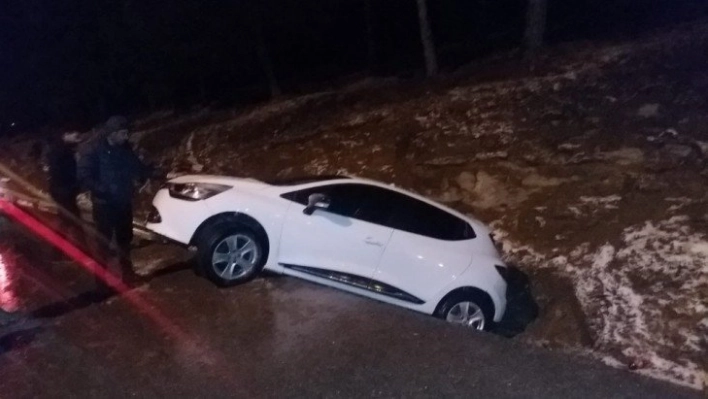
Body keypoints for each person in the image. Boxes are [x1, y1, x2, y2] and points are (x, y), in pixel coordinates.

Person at [78, 116, 153, 285]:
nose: (126, 136)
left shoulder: (125, 148)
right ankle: (101, 282)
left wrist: (150, 172)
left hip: (123, 203)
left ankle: (128, 275)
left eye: (127, 133)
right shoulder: (93, 150)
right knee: (103, 245)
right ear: (112, 133)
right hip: (104, 206)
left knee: (125, 241)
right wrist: (102, 189)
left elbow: (136, 166)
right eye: (123, 133)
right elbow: (84, 176)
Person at [46, 131, 83, 233]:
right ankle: (71, 244)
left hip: (64, 190)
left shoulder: (61, 148)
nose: (77, 137)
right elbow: (62, 172)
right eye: (75, 135)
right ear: (66, 134)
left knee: (67, 220)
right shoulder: (61, 150)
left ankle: (61, 243)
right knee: (71, 221)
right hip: (64, 191)